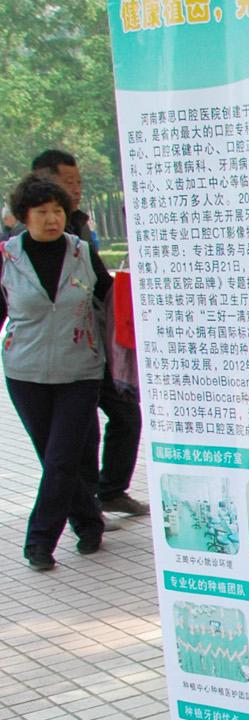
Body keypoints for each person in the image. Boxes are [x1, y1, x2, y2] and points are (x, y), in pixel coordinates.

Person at [2, 173, 111, 571]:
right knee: (54, 459)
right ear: (22, 216)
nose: (52, 219)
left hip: (80, 370)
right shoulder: (7, 258)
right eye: (42, 212)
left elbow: (109, 302)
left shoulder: (82, 252)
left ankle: (39, 542)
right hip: (24, 373)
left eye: (58, 211)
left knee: (63, 457)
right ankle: (88, 522)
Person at [30, 149, 148, 518]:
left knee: (125, 415)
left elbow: (101, 287)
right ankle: (83, 516)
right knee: (74, 443)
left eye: (79, 183)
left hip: (97, 347)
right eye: (69, 183)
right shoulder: (19, 250)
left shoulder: (79, 233)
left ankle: (108, 493)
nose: (77, 190)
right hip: (49, 364)